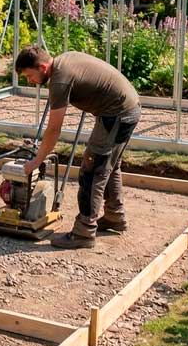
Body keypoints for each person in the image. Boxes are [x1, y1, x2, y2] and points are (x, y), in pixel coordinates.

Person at [14, 45, 141, 250]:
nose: (30, 81)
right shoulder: (63, 61)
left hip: (118, 114)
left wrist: (36, 161)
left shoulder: (60, 79)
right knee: (109, 165)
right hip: (125, 108)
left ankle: (84, 231)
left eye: (30, 75)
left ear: (43, 67)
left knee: (93, 170)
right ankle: (114, 216)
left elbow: (54, 129)